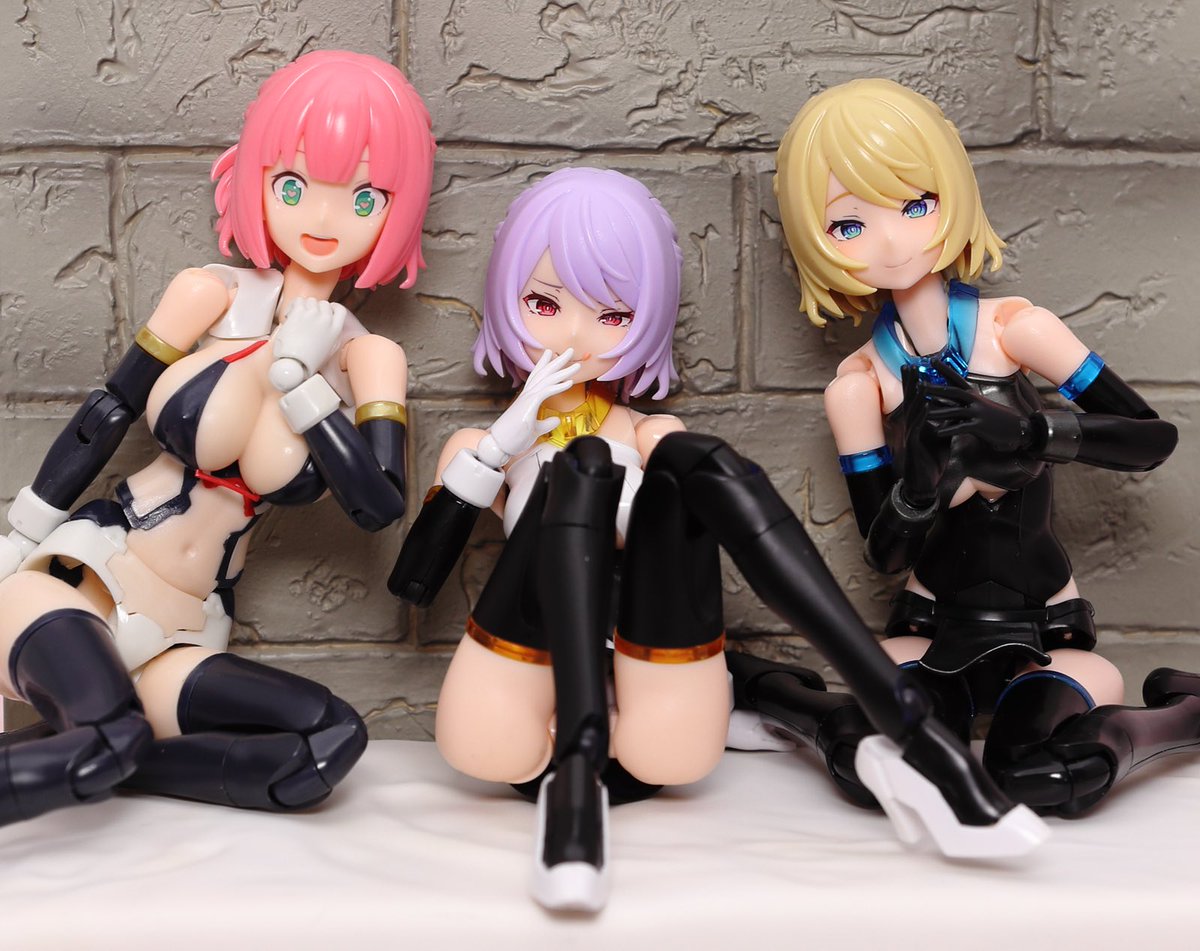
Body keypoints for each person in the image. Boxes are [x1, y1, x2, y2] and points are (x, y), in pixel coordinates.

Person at [392, 166, 1047, 913]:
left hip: (653, 704)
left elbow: (676, 529)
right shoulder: (482, 448)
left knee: (686, 458)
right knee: (581, 469)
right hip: (518, 705)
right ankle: (573, 790)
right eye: (544, 303)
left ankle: (923, 748)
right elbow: (414, 581)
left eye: (611, 315)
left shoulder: (649, 432)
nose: (572, 334)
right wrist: (506, 441)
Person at [0, 50, 436, 825]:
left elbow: (378, 506)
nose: (324, 219)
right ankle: (108, 743)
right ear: (255, 177)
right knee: (109, 734)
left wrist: (302, 381)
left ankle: (116, 752)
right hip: (87, 576)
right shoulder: (211, 294)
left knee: (330, 736)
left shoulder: (367, 359)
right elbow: (108, 410)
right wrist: (19, 534)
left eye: (364, 196)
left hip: (186, 632)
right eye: (293, 186)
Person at [772, 77, 1193, 816]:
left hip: (1048, 629)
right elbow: (886, 554)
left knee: (1042, 773)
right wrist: (918, 486)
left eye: (915, 205)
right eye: (849, 225)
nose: (892, 241)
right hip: (926, 630)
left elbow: (1150, 439)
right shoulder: (860, 387)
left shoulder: (1016, 330)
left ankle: (1180, 715)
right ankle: (782, 698)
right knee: (882, 770)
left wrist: (1034, 433)